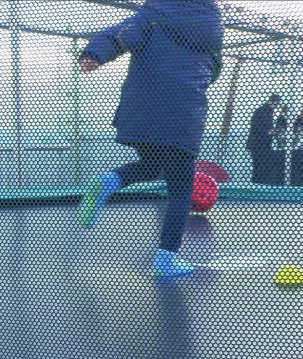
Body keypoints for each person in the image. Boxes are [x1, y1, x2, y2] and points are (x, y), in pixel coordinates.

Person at [77, 0, 224, 278]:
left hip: (141, 112)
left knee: (155, 164)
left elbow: (119, 34)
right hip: (182, 114)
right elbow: (214, 70)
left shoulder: (154, 15)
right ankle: (166, 259)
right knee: (181, 190)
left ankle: (110, 180)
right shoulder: (212, 27)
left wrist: (94, 54)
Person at [246, 94, 282, 184]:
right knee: (259, 166)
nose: (275, 106)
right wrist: (269, 132)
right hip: (258, 144)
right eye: (275, 104)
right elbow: (256, 127)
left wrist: (272, 131)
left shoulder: (266, 111)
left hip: (261, 143)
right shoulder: (262, 111)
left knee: (259, 166)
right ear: (270, 101)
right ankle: (258, 184)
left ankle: (257, 184)